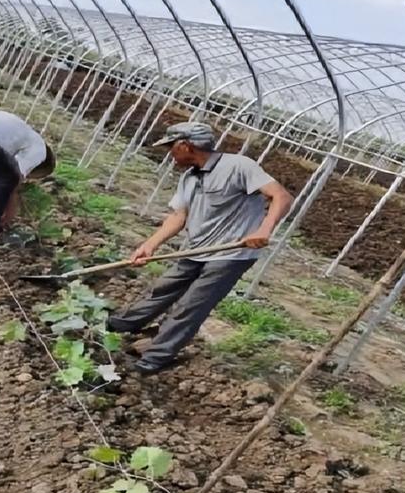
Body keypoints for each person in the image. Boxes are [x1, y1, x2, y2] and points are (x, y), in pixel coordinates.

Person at [107, 122, 293, 375]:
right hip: (196, 249)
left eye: (171, 147)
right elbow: (178, 216)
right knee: (163, 287)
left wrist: (264, 229)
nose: (169, 153)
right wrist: (148, 245)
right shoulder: (189, 176)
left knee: (191, 306)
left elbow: (281, 196)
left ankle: (153, 359)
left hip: (231, 254)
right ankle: (122, 324)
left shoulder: (239, 166)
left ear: (185, 145)